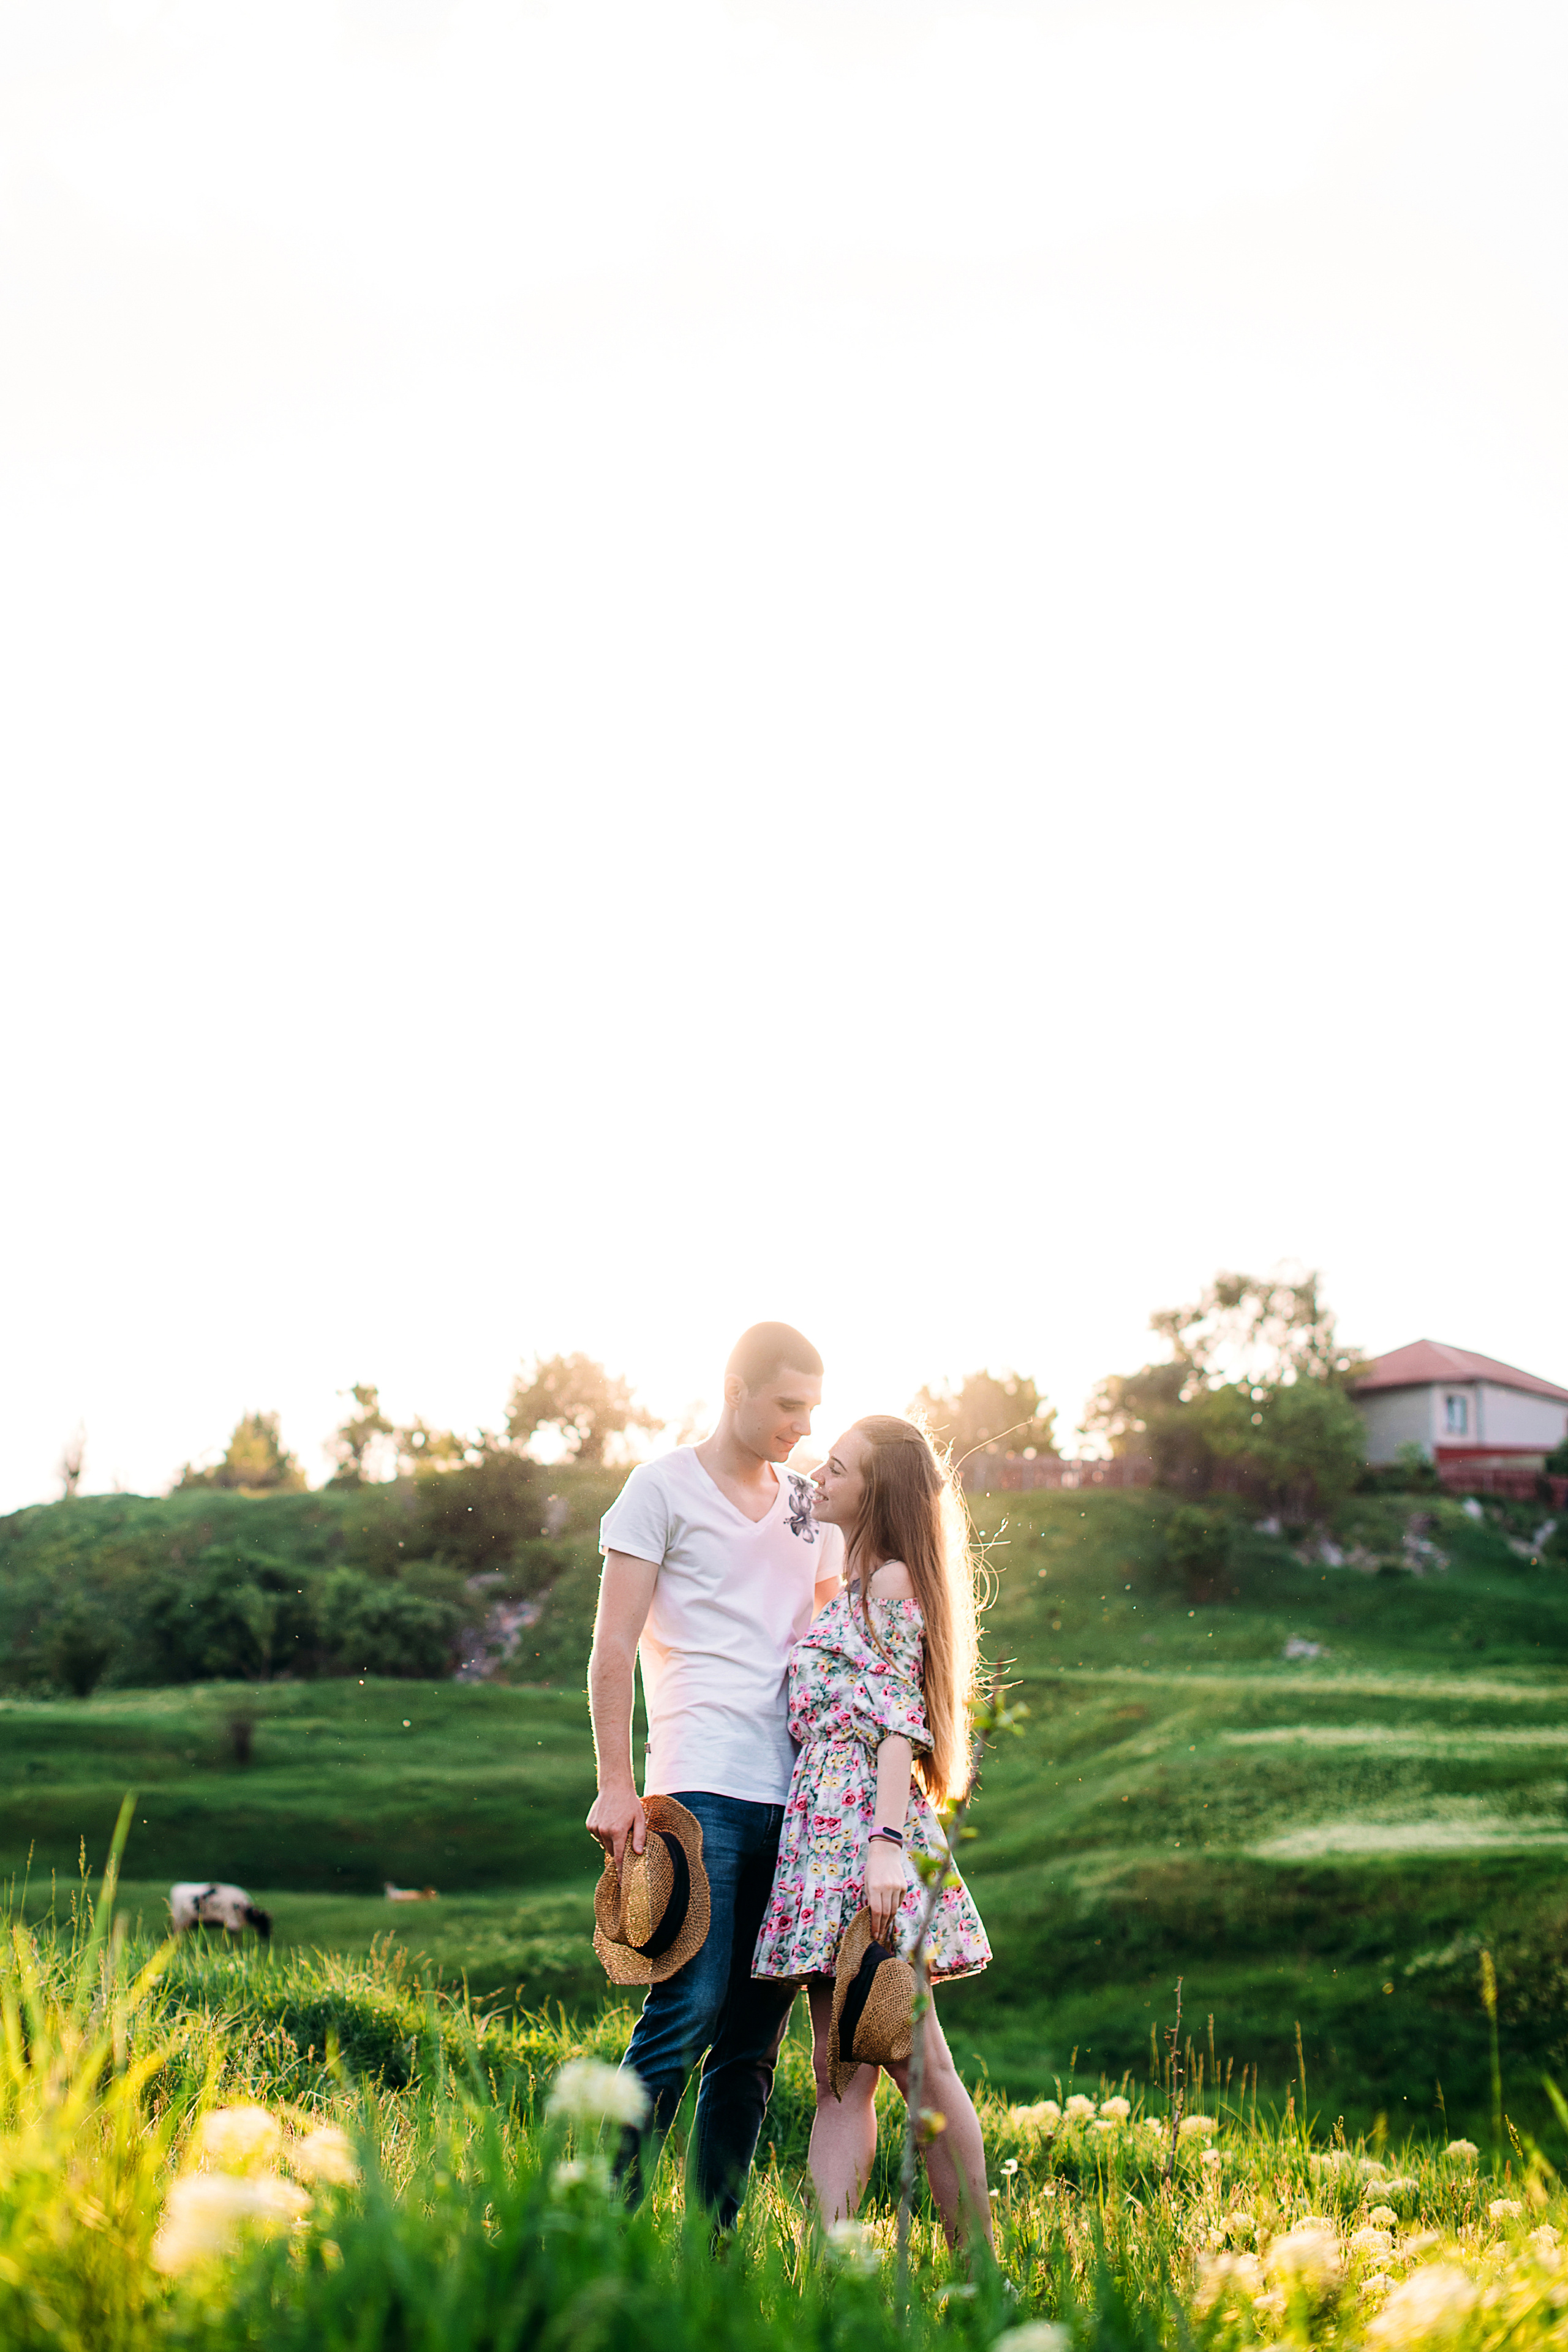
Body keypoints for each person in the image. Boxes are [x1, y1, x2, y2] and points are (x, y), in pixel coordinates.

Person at [588, 1321, 843, 2226]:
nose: (801, 1426)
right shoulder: (659, 1488)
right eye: (786, 1405)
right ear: (734, 1388)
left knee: (751, 2049)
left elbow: (829, 1647)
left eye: (812, 1409)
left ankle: (715, 2257)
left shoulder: (813, 1504)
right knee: (685, 2012)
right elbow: (614, 1644)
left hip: (802, 1802)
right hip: (700, 1783)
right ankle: (598, 2229)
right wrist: (616, 1784)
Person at [752, 1414, 993, 2247]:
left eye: (841, 1467)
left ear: (874, 1493)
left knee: (919, 2066)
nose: (822, 1473)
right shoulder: (853, 1588)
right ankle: (834, 2270)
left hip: (864, 1836)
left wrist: (884, 1846)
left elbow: (897, 1722)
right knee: (839, 2074)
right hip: (822, 1840)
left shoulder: (890, 1581)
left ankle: (977, 2276)